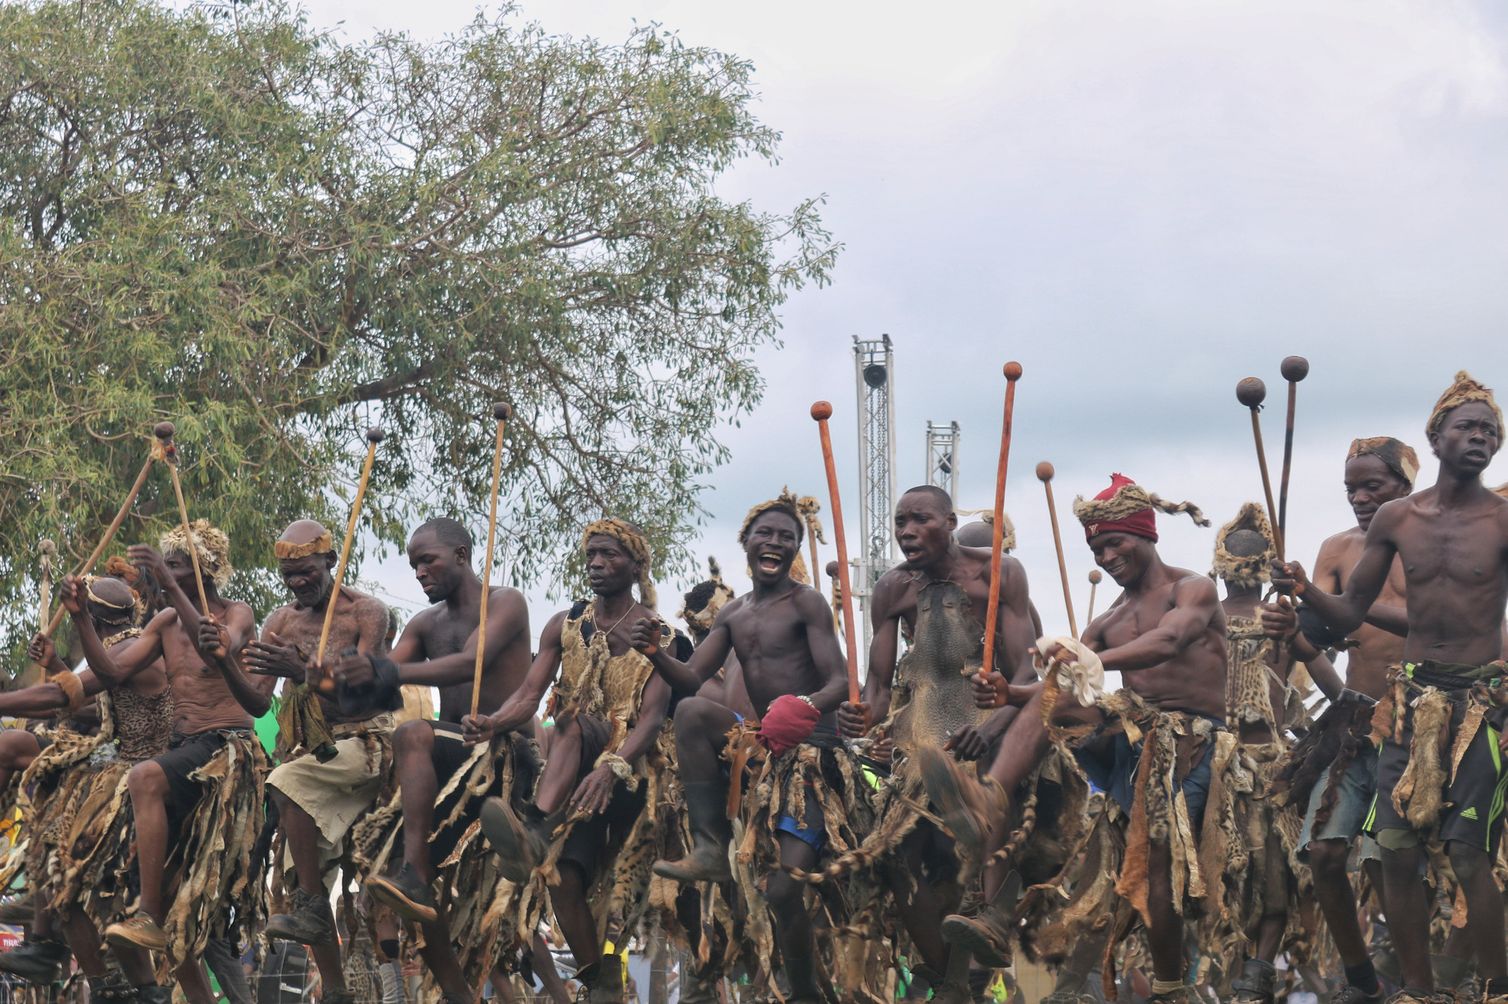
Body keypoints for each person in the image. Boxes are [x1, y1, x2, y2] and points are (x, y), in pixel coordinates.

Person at [922, 474, 1230, 1003]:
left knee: (1156, 873)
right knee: (1057, 695)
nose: (1107, 556)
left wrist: (1094, 660)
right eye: (1096, 547)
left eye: (1115, 542)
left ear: (1146, 534)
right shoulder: (1108, 619)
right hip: (1128, 748)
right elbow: (1054, 685)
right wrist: (1008, 693)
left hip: (1192, 745)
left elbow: (1170, 639)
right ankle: (990, 811)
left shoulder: (1191, 588)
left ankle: (1170, 987)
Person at [1272, 372, 1508, 1003]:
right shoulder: (1398, 521)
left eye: (1490, 430)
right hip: (1406, 706)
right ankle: (1418, 993)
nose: (1480, 438)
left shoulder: (1505, 520)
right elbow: (1347, 614)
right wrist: (1302, 591)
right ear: (1436, 439)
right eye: (1467, 427)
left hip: (1480, 706)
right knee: (1396, 851)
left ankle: (1497, 988)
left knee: (1467, 852)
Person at [630, 492, 870, 1004]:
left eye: (787, 536)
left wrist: (803, 705)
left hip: (813, 757)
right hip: (766, 752)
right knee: (693, 713)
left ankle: (805, 992)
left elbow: (840, 679)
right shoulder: (734, 615)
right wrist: (656, 654)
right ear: (747, 542)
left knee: (784, 890)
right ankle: (711, 846)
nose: (776, 542)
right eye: (766, 533)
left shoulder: (806, 602)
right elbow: (691, 680)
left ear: (794, 549)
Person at [832, 486, 1038, 1002]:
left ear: (948, 522)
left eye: (918, 520)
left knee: (992, 793)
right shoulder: (891, 588)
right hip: (924, 728)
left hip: (992, 712)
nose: (905, 531)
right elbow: (877, 692)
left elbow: (1028, 670)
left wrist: (993, 721)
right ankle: (948, 978)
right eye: (900, 522)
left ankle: (994, 909)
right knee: (898, 855)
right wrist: (859, 716)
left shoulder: (1000, 574)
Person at [466, 518, 680, 1004]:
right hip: (577, 773)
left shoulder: (660, 633)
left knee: (575, 721)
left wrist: (613, 766)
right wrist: (494, 722)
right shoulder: (565, 623)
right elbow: (527, 694)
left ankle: (535, 827)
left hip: (636, 772)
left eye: (610, 556)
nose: (598, 565)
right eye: (592, 557)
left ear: (636, 565)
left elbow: (650, 721)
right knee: (562, 880)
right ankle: (600, 982)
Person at [63, 522, 274, 1004]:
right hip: (184, 749)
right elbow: (113, 671)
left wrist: (174, 584)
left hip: (226, 750)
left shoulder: (235, 613)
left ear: (207, 571)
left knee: (144, 776)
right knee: (180, 896)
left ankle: (149, 917)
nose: (164, 575)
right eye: (165, 566)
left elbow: (215, 645)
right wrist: (79, 620)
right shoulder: (162, 623)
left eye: (176, 566)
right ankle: (146, 923)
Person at [340, 517, 532, 1003]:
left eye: (429, 561)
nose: (420, 572)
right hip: (452, 765)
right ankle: (458, 992)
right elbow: (379, 690)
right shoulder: (424, 624)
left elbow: (470, 662)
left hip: (506, 753)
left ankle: (422, 871)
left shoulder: (506, 603)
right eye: (413, 565)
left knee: (412, 732)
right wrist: (332, 674)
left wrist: (388, 669)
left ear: (463, 556)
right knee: (392, 873)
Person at [1262, 435, 1419, 1004]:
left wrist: (1340, 602)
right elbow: (1322, 633)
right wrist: (1291, 623)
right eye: (1350, 488)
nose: (1358, 498)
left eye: (1370, 486)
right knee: (1325, 854)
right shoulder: (1336, 548)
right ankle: (1362, 982)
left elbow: (1428, 621)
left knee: (1392, 858)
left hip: (1429, 724)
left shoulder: (1430, 543)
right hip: (1356, 725)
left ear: (1405, 485)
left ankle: (1431, 981)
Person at [0, 571, 172, 999]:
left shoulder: (133, 650)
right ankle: (49, 946)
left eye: (85, 620)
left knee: (66, 863)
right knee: (17, 745)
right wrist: (57, 665)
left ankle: (103, 978)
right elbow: (94, 707)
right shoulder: (117, 648)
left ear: (92, 619)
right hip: (109, 758)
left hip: (134, 769)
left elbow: (66, 698)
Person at [243, 520, 393, 1004]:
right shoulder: (280, 623)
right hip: (310, 757)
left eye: (306, 572)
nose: (297, 583)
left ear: (331, 561)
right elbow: (256, 702)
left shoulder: (366, 613)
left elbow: (366, 694)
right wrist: (225, 660)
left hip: (364, 746)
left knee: (285, 781)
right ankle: (334, 991)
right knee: (301, 876)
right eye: (288, 575)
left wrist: (303, 674)